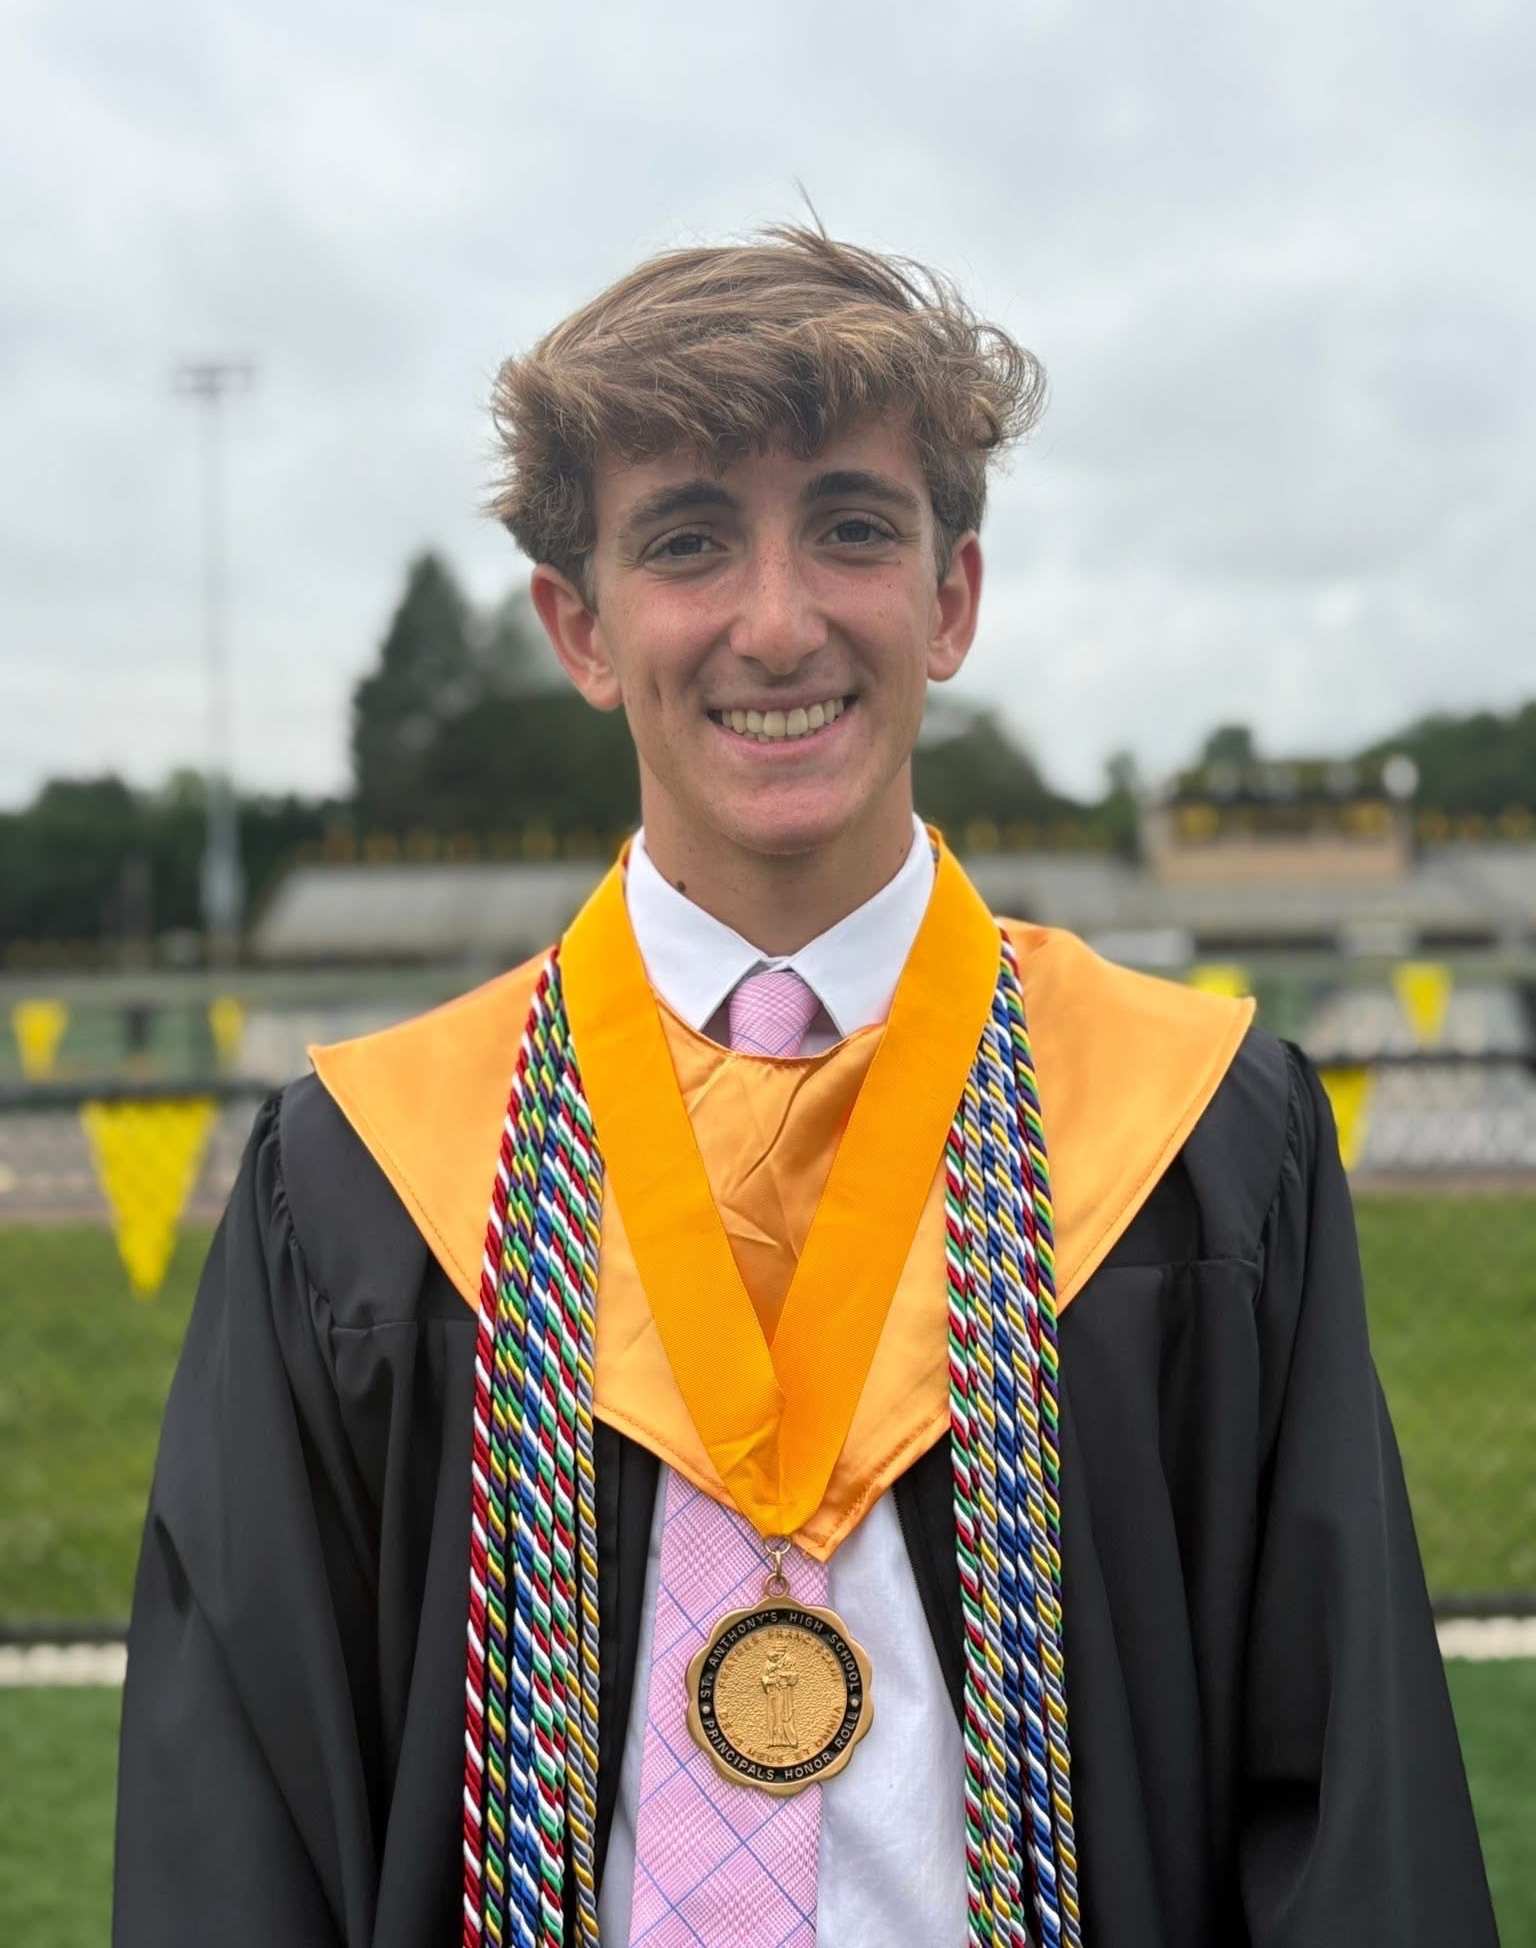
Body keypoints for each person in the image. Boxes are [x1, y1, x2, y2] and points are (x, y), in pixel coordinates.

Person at [113, 228, 1497, 1948]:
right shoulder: (361, 1184)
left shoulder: (1204, 1140)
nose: (776, 625)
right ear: (581, 626)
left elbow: (1346, 1808)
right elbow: (241, 1839)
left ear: (951, 600)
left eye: (851, 527)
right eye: (688, 541)